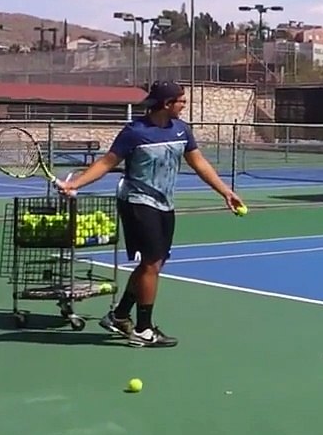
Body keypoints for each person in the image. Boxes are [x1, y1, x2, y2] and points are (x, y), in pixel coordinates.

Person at [56, 80, 243, 347]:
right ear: (167, 104)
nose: (184, 105)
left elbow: (199, 162)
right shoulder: (135, 132)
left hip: (165, 203)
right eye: (181, 101)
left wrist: (225, 191)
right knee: (152, 263)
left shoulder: (182, 130)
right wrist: (74, 183)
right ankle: (144, 329)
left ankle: (119, 316)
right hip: (137, 201)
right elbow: (107, 162)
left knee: (154, 264)